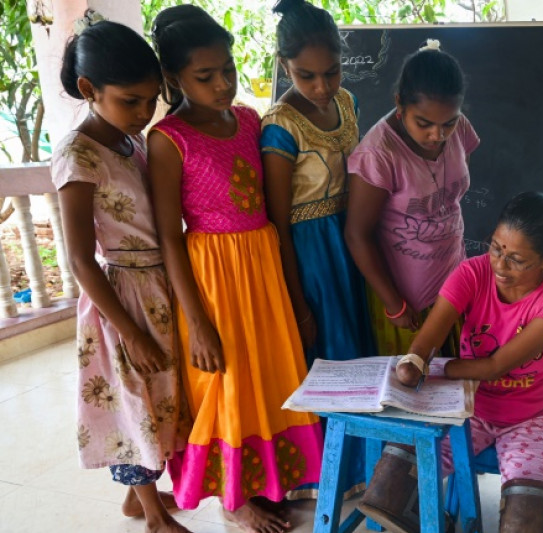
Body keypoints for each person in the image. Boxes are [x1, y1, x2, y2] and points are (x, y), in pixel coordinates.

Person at [147, 6, 322, 532]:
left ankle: (264, 484)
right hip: (214, 276)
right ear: (174, 78)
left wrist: (291, 293)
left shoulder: (249, 119)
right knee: (223, 384)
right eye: (206, 76)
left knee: (266, 378)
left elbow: (272, 206)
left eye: (229, 69)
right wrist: (196, 320)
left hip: (262, 266)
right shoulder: (168, 139)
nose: (223, 83)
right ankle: (233, 499)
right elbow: (169, 239)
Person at [358, 192, 543, 533]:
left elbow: (495, 367)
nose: (500, 265)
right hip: (468, 406)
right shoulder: (472, 272)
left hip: (536, 416)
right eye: (496, 248)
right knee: (390, 486)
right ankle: (438, 522)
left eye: (517, 259)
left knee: (526, 514)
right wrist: (413, 361)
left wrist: (437, 368)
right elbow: (428, 339)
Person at [52, 12, 189, 533]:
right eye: (130, 100)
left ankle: (139, 499)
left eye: (151, 99)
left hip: (157, 284)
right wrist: (128, 331)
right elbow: (82, 259)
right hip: (122, 298)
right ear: (89, 88)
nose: (143, 111)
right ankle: (152, 513)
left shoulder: (129, 143)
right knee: (137, 399)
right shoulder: (77, 154)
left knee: (163, 395)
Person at [260, 0, 376, 500]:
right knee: (326, 360)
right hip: (310, 254)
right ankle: (323, 480)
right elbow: (279, 222)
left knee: (358, 353)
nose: (322, 86)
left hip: (351, 238)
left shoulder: (345, 102)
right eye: (307, 76)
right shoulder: (279, 126)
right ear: (284, 65)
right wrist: (298, 298)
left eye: (332, 72)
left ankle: (364, 469)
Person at [344, 41, 479, 356]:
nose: (438, 135)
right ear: (400, 105)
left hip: (454, 283)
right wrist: (395, 304)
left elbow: (452, 196)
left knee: (455, 385)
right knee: (411, 388)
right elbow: (357, 234)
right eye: (424, 123)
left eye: (448, 122)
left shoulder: (459, 129)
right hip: (405, 300)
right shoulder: (379, 153)